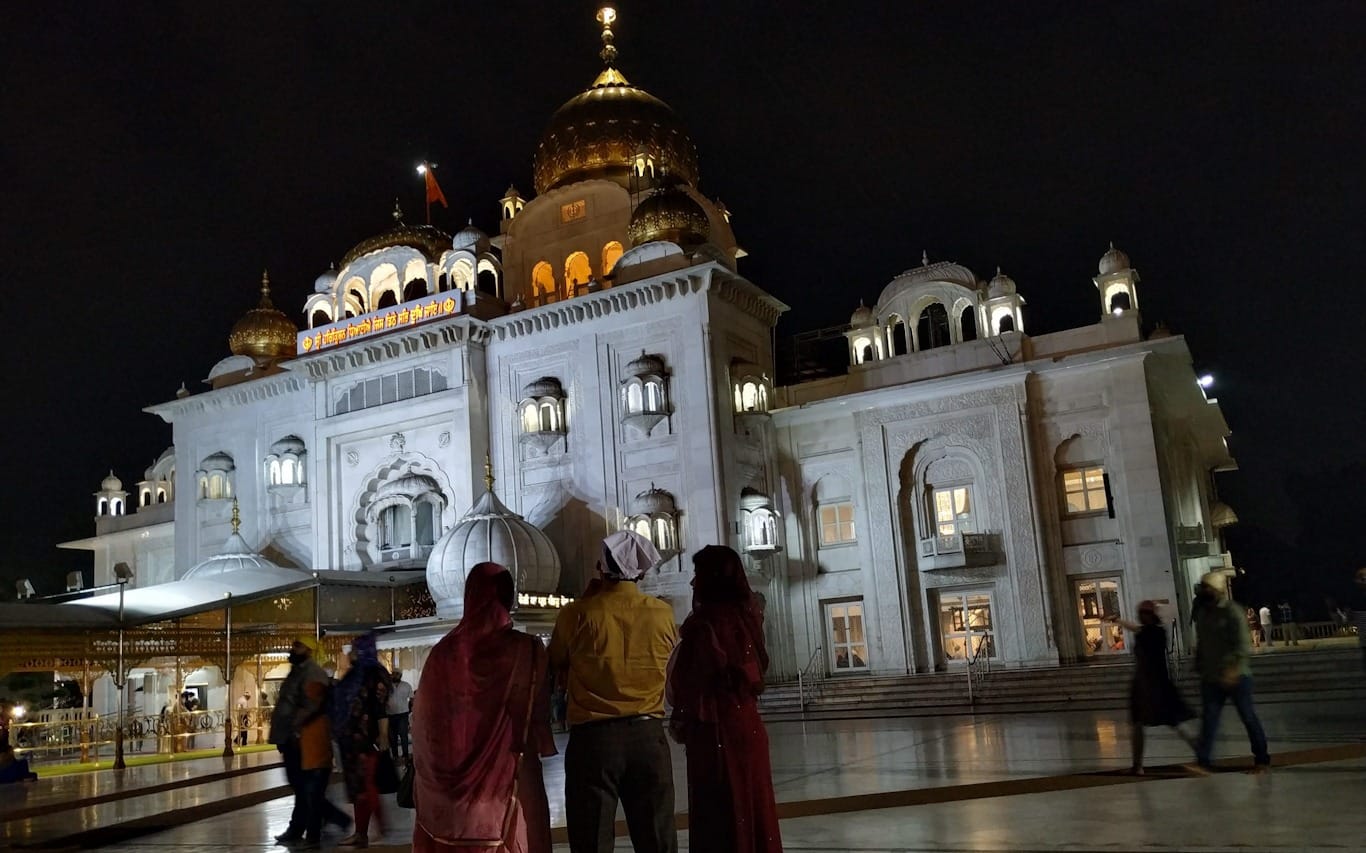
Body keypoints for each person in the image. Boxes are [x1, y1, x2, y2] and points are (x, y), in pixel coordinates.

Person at [549, 530, 678, 853]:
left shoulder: (577, 614)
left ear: (600, 567)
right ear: (642, 571)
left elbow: (555, 660)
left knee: (591, 838)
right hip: (649, 737)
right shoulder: (662, 613)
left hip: (594, 741)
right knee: (656, 838)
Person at [412, 562, 554, 853]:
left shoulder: (441, 654)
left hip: (446, 805)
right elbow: (535, 719)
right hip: (508, 790)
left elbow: (424, 730)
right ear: (509, 597)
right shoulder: (526, 649)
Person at [668, 545, 782, 853]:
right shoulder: (745, 620)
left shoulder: (706, 626)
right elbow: (754, 674)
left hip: (715, 731)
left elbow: (687, 683)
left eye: (697, 574)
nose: (693, 583)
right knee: (751, 805)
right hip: (746, 726)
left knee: (720, 813)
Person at [270, 636, 351, 848]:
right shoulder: (298, 671)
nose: (292, 649)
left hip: (305, 740)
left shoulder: (312, 673)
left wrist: (296, 729)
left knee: (307, 789)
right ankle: (299, 828)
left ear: (308, 649)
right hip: (292, 738)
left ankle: (326, 823)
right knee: (300, 787)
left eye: (297, 646)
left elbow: (312, 706)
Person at [1104, 601, 1196, 774]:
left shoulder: (1151, 633)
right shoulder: (1156, 631)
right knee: (1162, 721)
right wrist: (1118, 620)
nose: (1141, 616)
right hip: (1151, 683)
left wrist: (1118, 620)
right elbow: (1137, 629)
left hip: (1150, 684)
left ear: (1148, 615)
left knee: (1167, 721)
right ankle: (1138, 765)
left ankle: (1138, 765)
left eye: (1142, 613)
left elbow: (1139, 631)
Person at [1193, 572, 1270, 773]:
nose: (1203, 590)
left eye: (1206, 586)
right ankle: (1203, 760)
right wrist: (1199, 664)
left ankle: (1261, 759)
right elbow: (1202, 642)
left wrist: (1234, 668)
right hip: (1211, 676)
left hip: (1237, 676)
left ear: (1217, 589)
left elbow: (1243, 644)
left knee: (1247, 716)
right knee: (1209, 719)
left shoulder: (1231, 611)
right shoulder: (1202, 613)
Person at [333, 632, 392, 848]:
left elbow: (380, 709)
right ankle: (361, 833)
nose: (352, 654)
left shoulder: (374, 675)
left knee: (365, 786)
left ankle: (376, 828)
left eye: (356, 650)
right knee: (358, 787)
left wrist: (383, 736)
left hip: (366, 741)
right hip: (351, 742)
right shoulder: (355, 674)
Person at [386, 669, 413, 761]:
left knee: (403, 735)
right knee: (392, 737)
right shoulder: (388, 686)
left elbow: (412, 699)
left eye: (396, 674)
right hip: (390, 714)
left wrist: (411, 711)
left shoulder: (406, 686)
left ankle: (405, 755)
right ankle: (395, 756)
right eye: (393, 674)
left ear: (400, 675)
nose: (394, 676)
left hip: (403, 714)